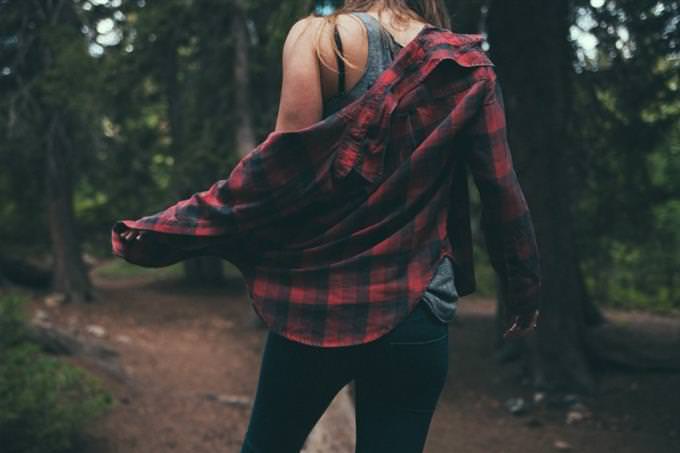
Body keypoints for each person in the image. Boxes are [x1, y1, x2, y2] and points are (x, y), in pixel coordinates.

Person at [117, 1, 540, 451]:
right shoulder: (469, 67)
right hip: (417, 309)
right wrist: (523, 287)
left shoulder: (320, 40)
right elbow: (501, 189)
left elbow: (274, 183)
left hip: (317, 305)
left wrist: (168, 230)